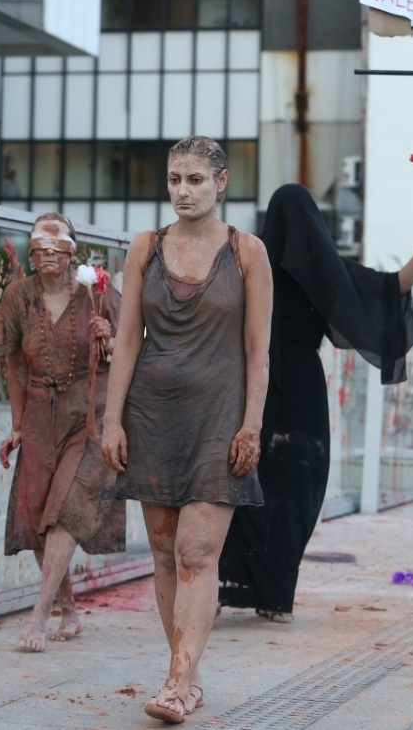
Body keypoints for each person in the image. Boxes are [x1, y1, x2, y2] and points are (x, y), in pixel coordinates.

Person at [101, 136, 273, 723]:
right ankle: (188, 675)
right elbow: (126, 340)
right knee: (165, 551)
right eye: (175, 179)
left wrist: (251, 423)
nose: (183, 191)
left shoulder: (247, 252)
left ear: (221, 182)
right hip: (151, 413)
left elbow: (258, 351)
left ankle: (176, 682)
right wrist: (110, 418)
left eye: (196, 179)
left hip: (218, 416)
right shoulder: (145, 247)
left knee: (198, 550)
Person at [217, 183, 413, 623]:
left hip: (283, 392)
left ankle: (275, 591)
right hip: (263, 391)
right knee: (251, 485)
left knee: (295, 492)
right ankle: (241, 588)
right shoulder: (248, 266)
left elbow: (389, 288)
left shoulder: (322, 271)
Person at [0, 212, 125, 653]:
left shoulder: (98, 294)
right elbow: (11, 361)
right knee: (37, 516)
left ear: (72, 251)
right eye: (38, 247)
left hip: (89, 412)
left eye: (55, 246)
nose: (46, 254)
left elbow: (131, 351)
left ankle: (38, 615)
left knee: (66, 506)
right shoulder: (17, 296)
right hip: (38, 413)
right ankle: (69, 610)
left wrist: (109, 337)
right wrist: (15, 424)